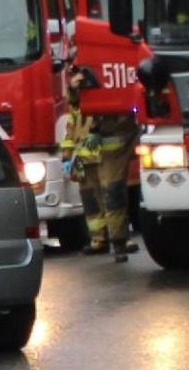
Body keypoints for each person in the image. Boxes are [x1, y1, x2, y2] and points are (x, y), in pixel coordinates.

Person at [60, 65, 141, 261]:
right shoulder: (80, 101)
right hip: (84, 153)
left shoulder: (115, 94)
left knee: (112, 194)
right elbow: (72, 126)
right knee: (89, 197)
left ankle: (120, 241)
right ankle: (99, 239)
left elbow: (131, 116)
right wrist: (67, 156)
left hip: (107, 150)